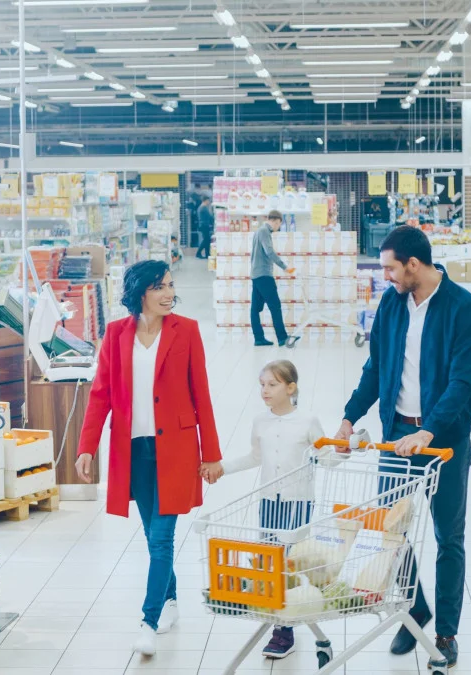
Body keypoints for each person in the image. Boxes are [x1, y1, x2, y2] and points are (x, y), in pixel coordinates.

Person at [336, 225, 471, 670]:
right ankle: (415, 608)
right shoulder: (392, 303)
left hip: (444, 442)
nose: (386, 277)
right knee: (388, 531)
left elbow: (462, 383)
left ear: (413, 266)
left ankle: (446, 632)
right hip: (396, 435)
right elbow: (376, 365)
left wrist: (430, 431)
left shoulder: (463, 308)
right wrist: (348, 417)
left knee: (447, 538)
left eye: (390, 269)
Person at [75, 259, 223, 657]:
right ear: (141, 292)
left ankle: (149, 620)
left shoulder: (187, 331)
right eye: (161, 287)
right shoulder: (116, 334)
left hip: (175, 448)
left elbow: (201, 395)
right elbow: (101, 395)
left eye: (171, 286)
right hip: (133, 450)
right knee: (151, 535)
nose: (169, 293)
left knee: (161, 539)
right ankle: (171, 599)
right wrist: (87, 446)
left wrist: (211, 454)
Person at [223, 360, 341, 659]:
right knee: (270, 562)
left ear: (291, 388)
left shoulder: (307, 421)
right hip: (268, 502)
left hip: (298, 503)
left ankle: (283, 630)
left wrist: (344, 449)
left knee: (289, 563)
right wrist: (221, 468)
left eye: (272, 384)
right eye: (262, 384)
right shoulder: (259, 421)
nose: (265, 390)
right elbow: (255, 457)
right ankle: (280, 620)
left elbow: (326, 457)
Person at [251, 210, 295, 347]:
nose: (277, 228)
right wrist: (284, 267)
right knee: (275, 306)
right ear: (276, 221)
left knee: (255, 308)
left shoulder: (259, 231)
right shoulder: (264, 231)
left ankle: (259, 338)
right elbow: (269, 251)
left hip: (256, 274)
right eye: (278, 225)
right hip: (264, 275)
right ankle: (282, 338)